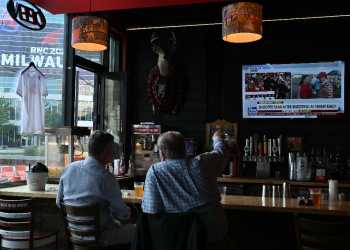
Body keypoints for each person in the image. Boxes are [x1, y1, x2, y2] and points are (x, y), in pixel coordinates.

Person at [142, 130, 233, 250]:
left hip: (181, 240)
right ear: (185, 150)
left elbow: (152, 210)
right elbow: (221, 151)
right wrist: (218, 138)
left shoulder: (155, 171)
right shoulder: (204, 162)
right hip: (215, 236)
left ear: (162, 154)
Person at [56, 130, 135, 247]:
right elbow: (124, 216)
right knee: (142, 231)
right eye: (113, 148)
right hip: (100, 236)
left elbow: (59, 202)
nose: (114, 152)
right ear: (105, 151)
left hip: (73, 234)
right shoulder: (106, 178)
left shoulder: (69, 169)